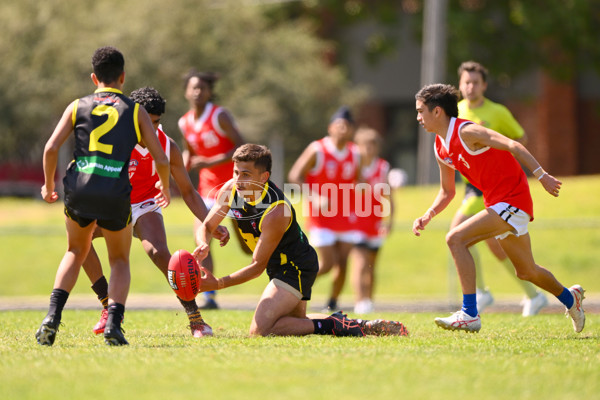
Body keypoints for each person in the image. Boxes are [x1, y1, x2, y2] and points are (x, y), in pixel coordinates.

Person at [412, 83, 585, 333]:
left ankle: (469, 313)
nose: (418, 118)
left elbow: (513, 145)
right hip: (497, 202)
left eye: (420, 111)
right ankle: (571, 299)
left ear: (437, 111)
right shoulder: (440, 146)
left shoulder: (467, 131)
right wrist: (428, 214)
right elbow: (447, 191)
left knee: (455, 239)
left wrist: (542, 175)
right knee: (527, 271)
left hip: (513, 198)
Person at [193, 144, 408, 337]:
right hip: (281, 266)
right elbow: (207, 226)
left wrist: (218, 283)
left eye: (246, 174)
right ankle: (355, 325)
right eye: (236, 172)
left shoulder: (276, 211)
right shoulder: (231, 189)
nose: (238, 180)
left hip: (295, 266)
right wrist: (203, 243)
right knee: (295, 324)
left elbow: (257, 266)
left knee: (260, 331)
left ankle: (333, 325)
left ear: (263, 177)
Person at [36, 47, 171, 346]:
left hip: (80, 187)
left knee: (75, 251)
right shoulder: (134, 110)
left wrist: (48, 186)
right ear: (123, 77)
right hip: (115, 190)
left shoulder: (77, 105)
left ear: (94, 77)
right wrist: (164, 185)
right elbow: (161, 158)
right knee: (120, 259)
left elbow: (50, 149)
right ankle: (113, 324)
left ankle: (52, 317)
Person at [81, 87, 229, 338]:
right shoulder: (111, 139)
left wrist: (210, 222)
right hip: (113, 203)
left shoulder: (167, 145)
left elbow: (189, 192)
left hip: (145, 203)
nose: (150, 129)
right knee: (80, 240)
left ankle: (196, 319)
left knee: (162, 254)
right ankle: (108, 306)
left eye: (156, 122)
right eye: (144, 123)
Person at [453, 61, 548, 316]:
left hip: (494, 186)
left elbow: (520, 139)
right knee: (495, 246)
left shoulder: (498, 112)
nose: (470, 87)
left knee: (456, 234)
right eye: (466, 82)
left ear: (484, 85)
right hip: (472, 185)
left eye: (475, 82)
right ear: (460, 85)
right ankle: (532, 295)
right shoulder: (456, 111)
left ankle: (481, 294)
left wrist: (494, 152)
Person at [179, 70, 246, 310]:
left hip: (234, 187)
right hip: (207, 190)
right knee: (203, 239)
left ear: (209, 92)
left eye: (202, 88)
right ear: (186, 91)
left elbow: (242, 146)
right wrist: (181, 169)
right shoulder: (184, 122)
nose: (197, 92)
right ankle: (209, 296)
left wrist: (209, 162)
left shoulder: (220, 116)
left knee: (249, 245)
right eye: (193, 87)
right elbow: (189, 152)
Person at [288, 106, 361, 312]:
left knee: (343, 263)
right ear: (330, 128)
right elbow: (295, 175)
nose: (343, 129)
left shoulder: (355, 153)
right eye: (339, 125)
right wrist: (314, 197)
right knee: (327, 263)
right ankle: (294, 288)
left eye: (347, 126)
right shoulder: (317, 149)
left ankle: (332, 304)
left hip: (346, 216)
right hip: (321, 217)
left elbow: (359, 180)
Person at [351, 127, 394, 314]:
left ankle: (369, 300)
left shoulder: (382, 167)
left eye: (372, 145)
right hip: (355, 222)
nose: (368, 149)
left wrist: (390, 220)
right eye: (364, 145)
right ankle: (359, 301)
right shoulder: (352, 167)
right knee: (359, 262)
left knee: (372, 264)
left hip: (375, 222)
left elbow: (390, 196)